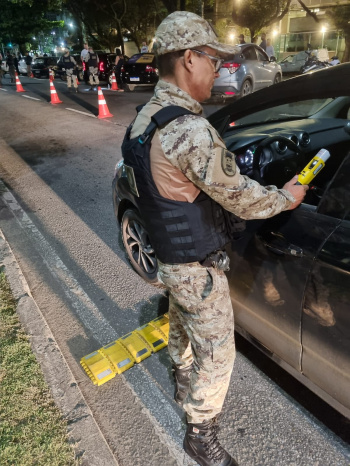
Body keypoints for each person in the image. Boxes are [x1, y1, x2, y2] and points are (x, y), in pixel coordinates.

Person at [121, 11, 308, 466]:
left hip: (170, 258)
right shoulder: (188, 129)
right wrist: (286, 196)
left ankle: (183, 384)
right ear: (188, 59)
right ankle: (201, 433)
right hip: (196, 265)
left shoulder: (147, 117)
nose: (220, 69)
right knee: (219, 352)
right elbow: (241, 197)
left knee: (183, 329)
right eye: (212, 59)